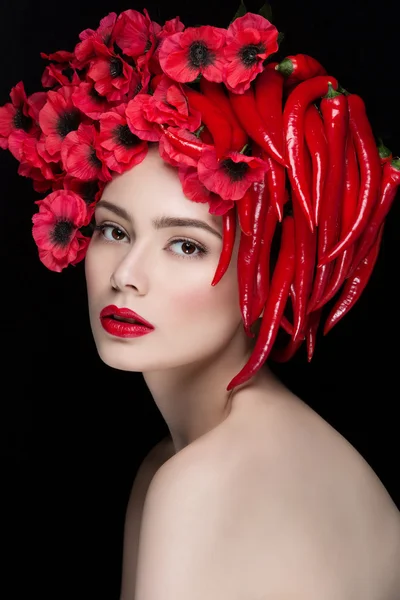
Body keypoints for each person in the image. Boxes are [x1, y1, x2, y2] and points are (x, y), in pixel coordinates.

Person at [1, 5, 399, 600]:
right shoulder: (187, 462)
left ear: (266, 269)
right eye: (113, 231)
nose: (127, 276)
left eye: (185, 244)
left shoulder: (201, 485)